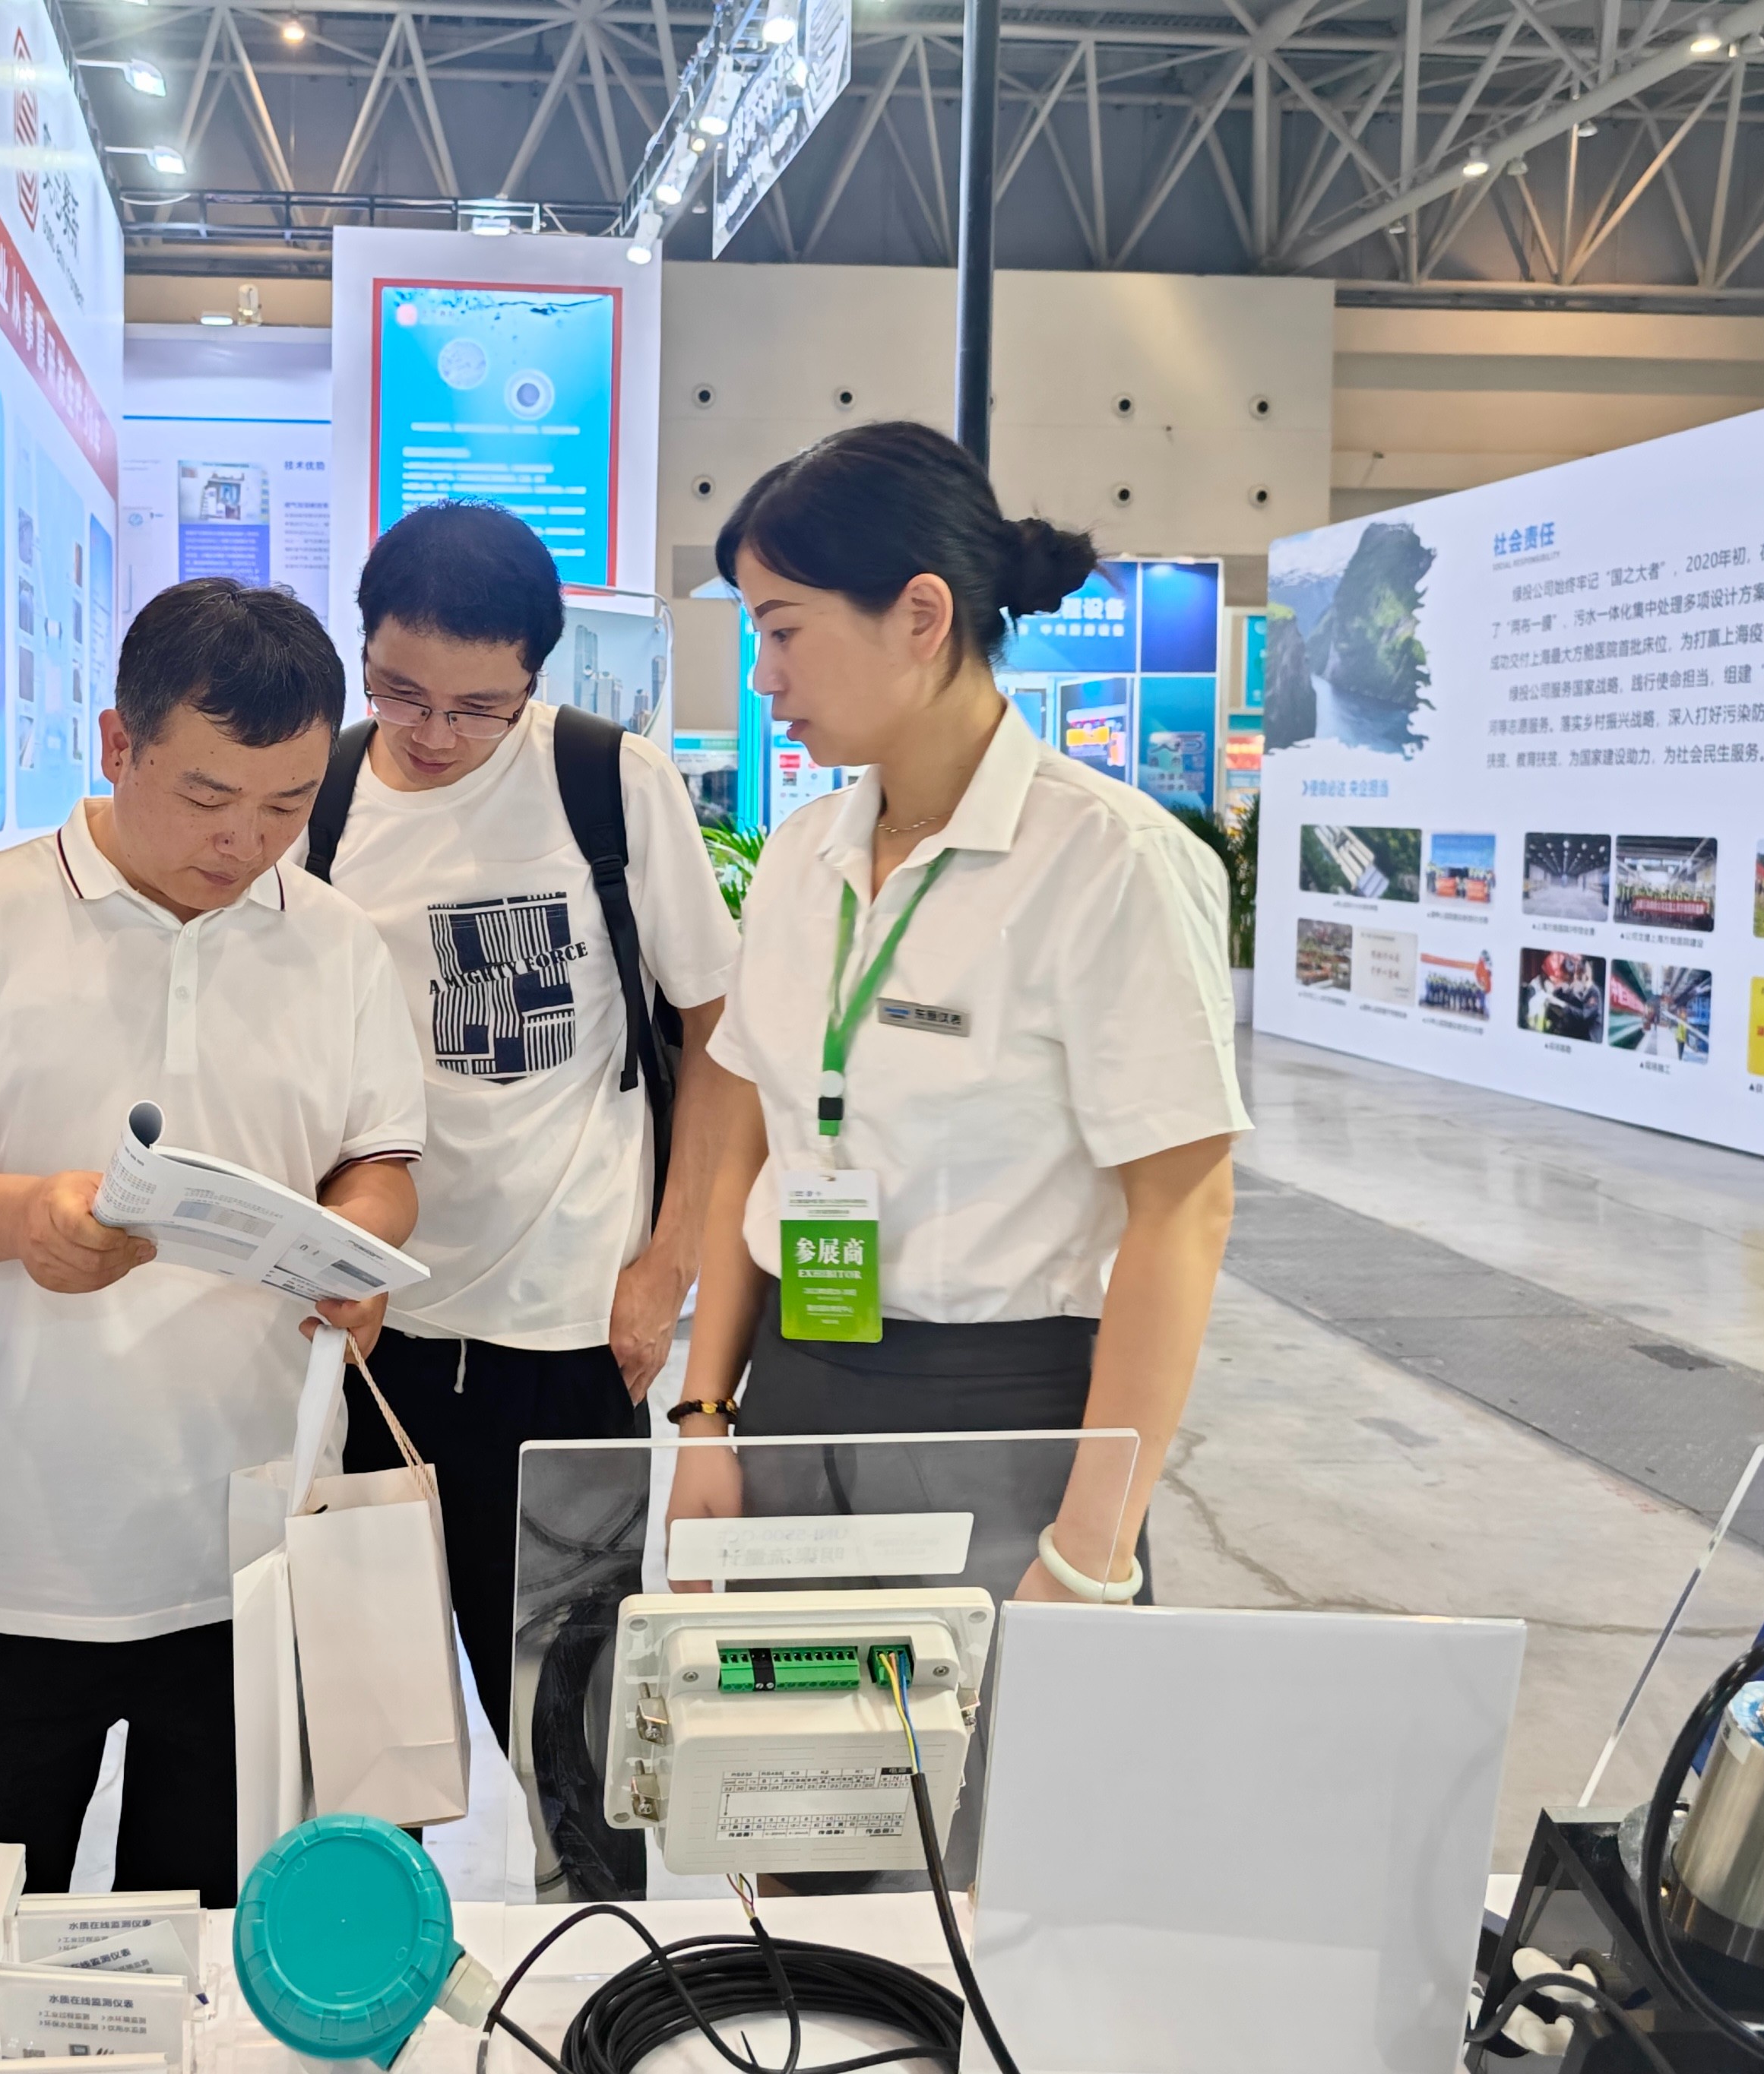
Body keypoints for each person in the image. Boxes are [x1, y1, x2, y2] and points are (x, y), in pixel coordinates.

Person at [0, 578, 426, 1906]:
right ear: (116, 743)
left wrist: (359, 1249)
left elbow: (378, 1160)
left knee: (213, 1924)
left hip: (255, 1546)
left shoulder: (333, 942)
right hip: (13, 1552)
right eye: (208, 796)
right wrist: (20, 1217)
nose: (244, 841)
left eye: (286, 805)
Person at [666, 420, 1248, 1611]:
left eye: (782, 628)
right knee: (794, 1732)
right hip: (793, 1386)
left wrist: (1091, 1549)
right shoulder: (799, 860)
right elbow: (751, 1149)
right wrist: (705, 1414)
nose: (762, 674)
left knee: (998, 1736)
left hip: (1003, 1416)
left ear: (920, 616)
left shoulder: (1107, 862)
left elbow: (1182, 1211)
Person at [290, 501, 738, 1744]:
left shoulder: (606, 782)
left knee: (573, 1738)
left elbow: (718, 1030)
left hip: (567, 1338)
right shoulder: (321, 798)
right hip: (368, 1341)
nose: (435, 733)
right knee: (369, 1743)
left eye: (476, 706)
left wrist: (669, 1263)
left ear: (535, 675)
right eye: (399, 690)